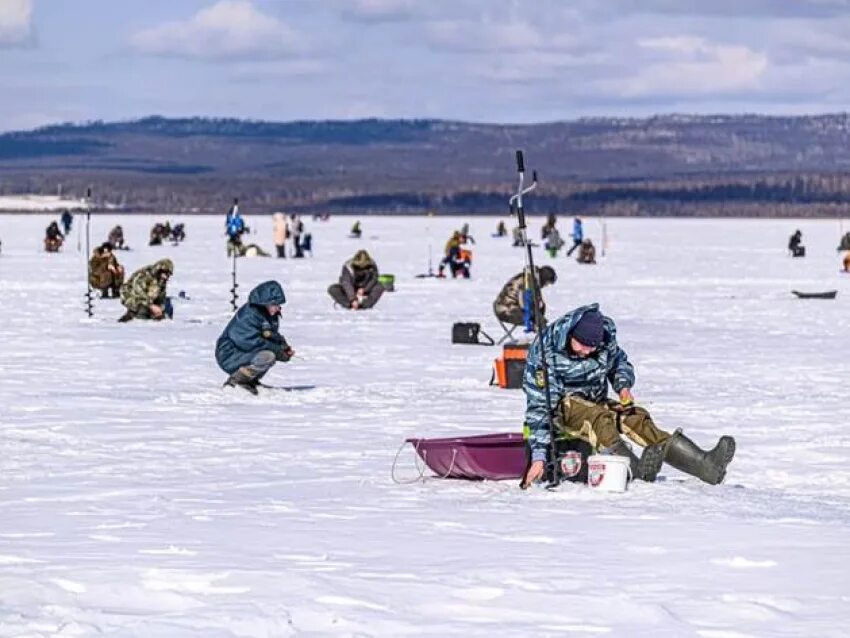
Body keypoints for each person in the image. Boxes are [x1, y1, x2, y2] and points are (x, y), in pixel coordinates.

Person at [521, 305, 736, 488]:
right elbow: (539, 408)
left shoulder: (604, 339)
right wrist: (539, 457)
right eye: (582, 346)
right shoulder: (545, 352)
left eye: (592, 347)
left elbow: (619, 364)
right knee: (599, 417)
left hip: (594, 400)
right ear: (571, 336)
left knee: (635, 416)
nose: (587, 351)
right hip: (560, 410)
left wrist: (622, 386)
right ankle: (635, 470)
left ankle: (703, 464)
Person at [215, 280, 293, 395]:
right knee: (268, 356)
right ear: (264, 303)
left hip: (243, 352)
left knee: (269, 354)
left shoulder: (268, 315)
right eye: (274, 304)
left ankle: (250, 380)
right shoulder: (248, 315)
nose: (277, 308)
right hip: (229, 353)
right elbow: (249, 342)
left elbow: (270, 335)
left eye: (278, 305)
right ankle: (236, 381)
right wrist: (276, 350)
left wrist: (283, 347)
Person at [494, 266, 556, 330]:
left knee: (538, 318)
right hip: (505, 310)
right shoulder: (527, 282)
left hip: (509, 307)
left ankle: (541, 332)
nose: (545, 286)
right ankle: (542, 335)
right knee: (537, 320)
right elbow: (524, 303)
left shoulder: (531, 279)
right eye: (546, 283)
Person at [118, 258, 174, 322]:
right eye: (166, 274)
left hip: (147, 300)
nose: (166, 277)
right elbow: (139, 294)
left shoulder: (161, 280)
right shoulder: (144, 275)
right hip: (130, 296)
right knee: (142, 310)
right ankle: (133, 314)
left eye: (168, 275)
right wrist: (151, 306)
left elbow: (161, 296)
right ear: (160, 270)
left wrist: (160, 308)